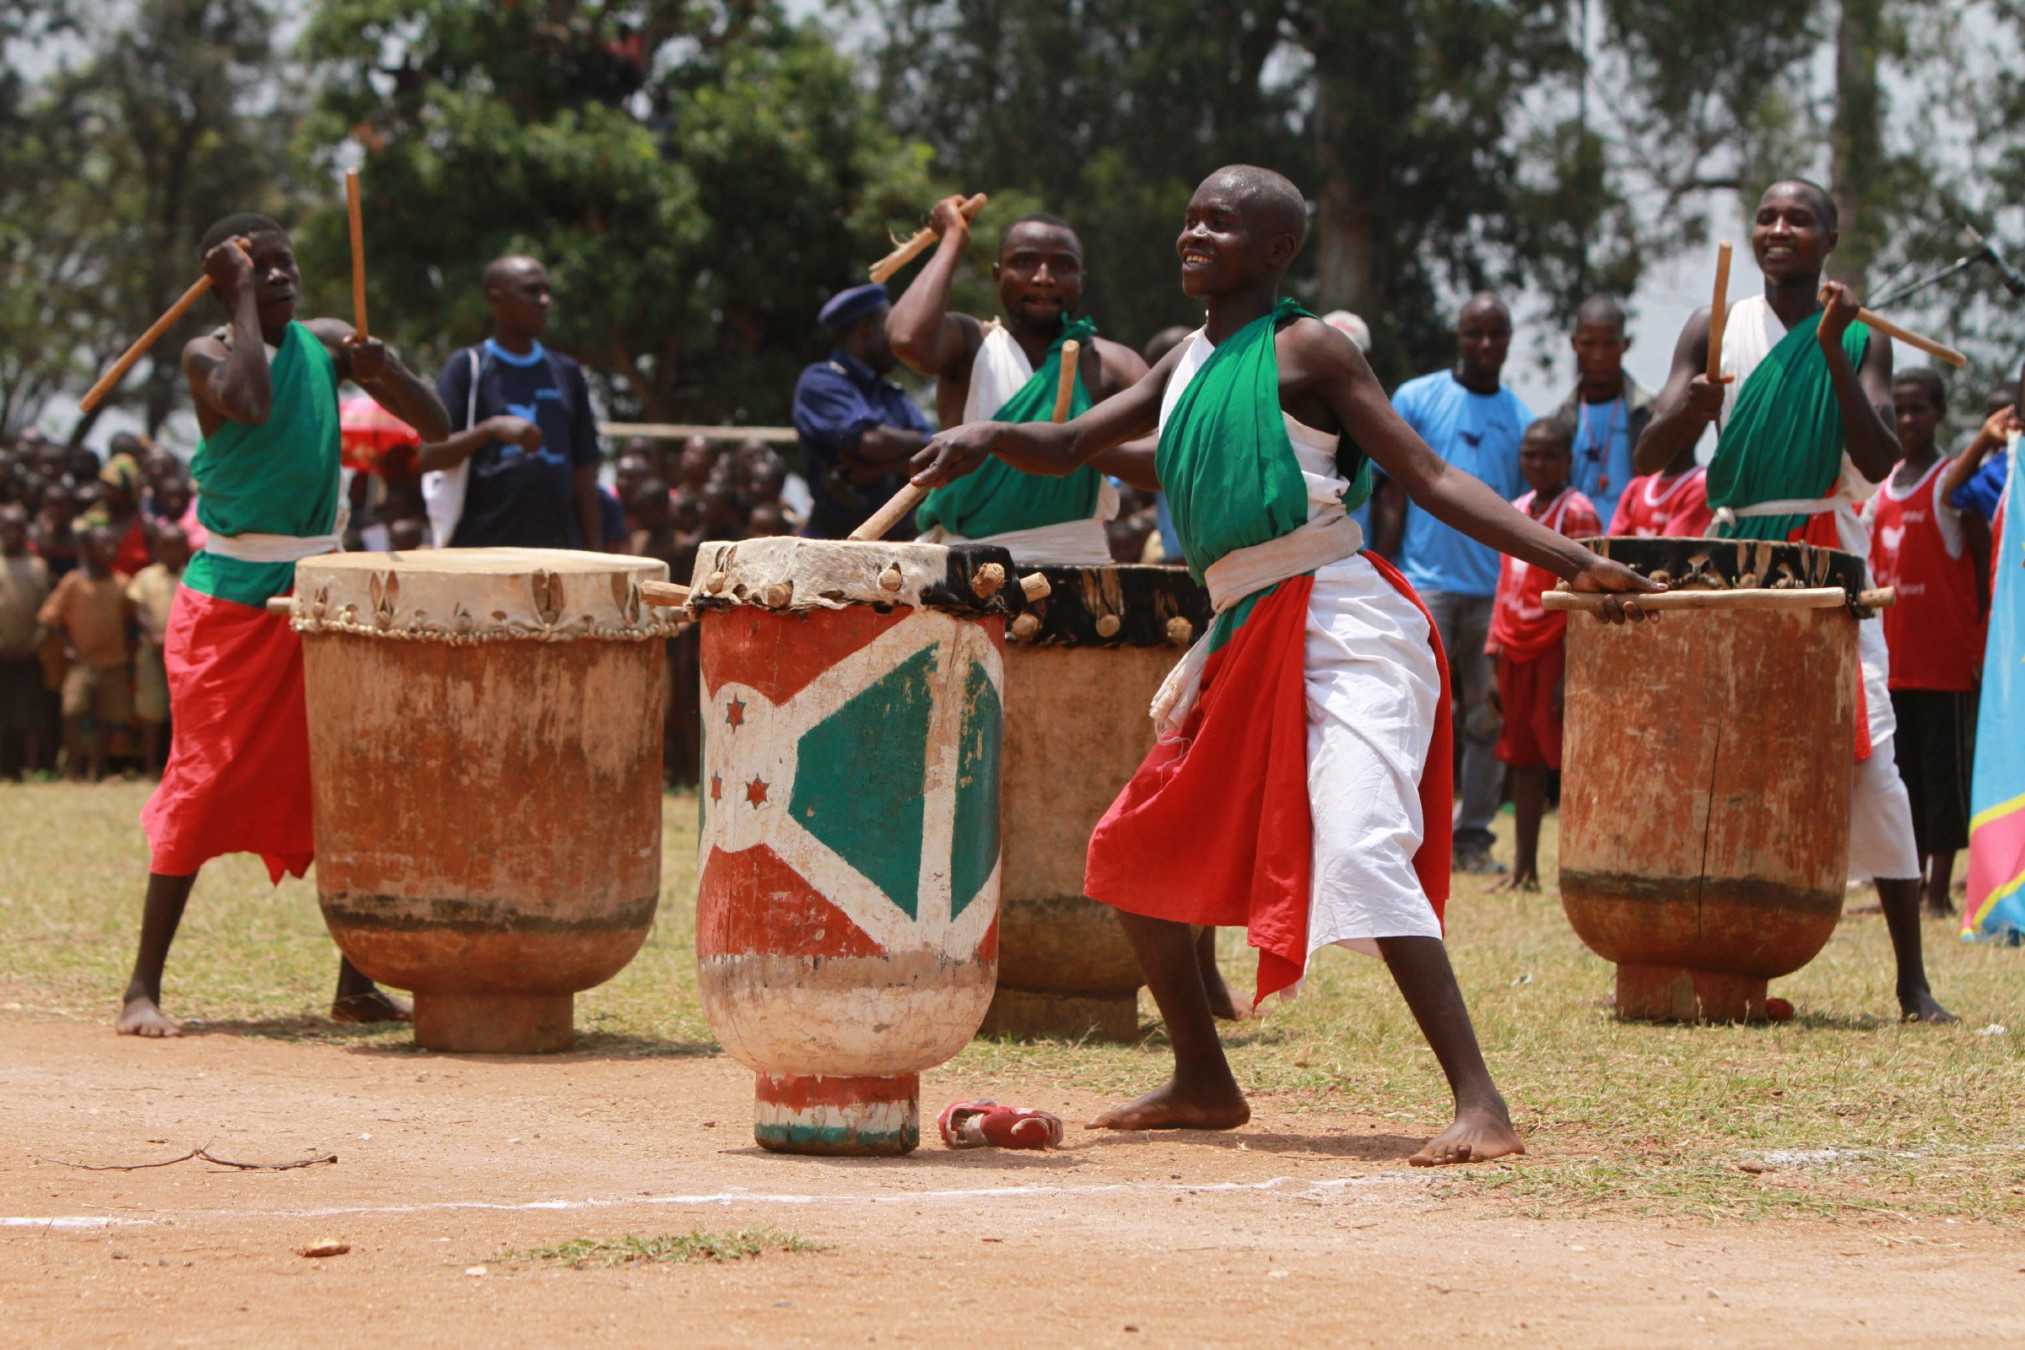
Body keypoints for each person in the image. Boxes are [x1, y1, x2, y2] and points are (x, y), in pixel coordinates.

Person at [907, 165, 1657, 1161]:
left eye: (1219, 224)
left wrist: (1568, 558)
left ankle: (1481, 1104)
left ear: (1277, 250)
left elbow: (1429, 474)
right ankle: (1203, 1080)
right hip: (1242, 626)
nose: (1193, 235)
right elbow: (1077, 440)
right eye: (1189, 218)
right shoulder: (1185, 365)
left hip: (1341, 624)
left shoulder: (1311, 348)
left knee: (1361, 846)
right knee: (1133, 858)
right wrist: (988, 434)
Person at [121, 212, 449, 1038]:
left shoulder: (327, 342)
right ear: (222, 282)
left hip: (318, 588)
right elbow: (253, 406)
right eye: (254, 268)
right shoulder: (206, 356)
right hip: (228, 598)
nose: (276, 277)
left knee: (348, 778)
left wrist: (386, 369)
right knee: (204, 780)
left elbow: (436, 425)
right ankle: (140, 989)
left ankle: (355, 984)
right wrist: (235, 295)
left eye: (283, 264)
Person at [1633, 177, 1953, 1022]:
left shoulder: (1860, 335)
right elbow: (1648, 455)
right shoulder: (1712, 325)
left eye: (1798, 219)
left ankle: (1911, 981)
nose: (1778, 228)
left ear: (1828, 239)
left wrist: (1832, 350)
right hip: (1737, 557)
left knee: (1871, 761)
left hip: (1828, 558)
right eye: (1767, 217)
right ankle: (1713, 960)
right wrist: (1687, 412)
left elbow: (1878, 459)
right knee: (1726, 753)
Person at [886, 200, 1155, 563]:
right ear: (998, 276)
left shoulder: (1113, 364)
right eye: (1025, 262)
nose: (1043, 277)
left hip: (1076, 561)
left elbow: (1165, 463)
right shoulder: (969, 345)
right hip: (965, 568)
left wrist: (1072, 445)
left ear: (1081, 280)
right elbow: (906, 338)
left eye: (1062, 265)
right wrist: (953, 238)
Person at [1374, 293, 1533, 874]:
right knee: (1415, 711)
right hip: (1426, 585)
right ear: (1458, 335)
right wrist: (1382, 568)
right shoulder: (1416, 399)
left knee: (1487, 718)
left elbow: (1522, 511)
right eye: (1474, 333)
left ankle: (1472, 839)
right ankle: (1407, 837)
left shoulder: (1521, 419)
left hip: (1492, 592)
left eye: (1496, 334)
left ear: (1508, 339)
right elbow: (1392, 491)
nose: (1485, 344)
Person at [1863, 369, 1990, 917]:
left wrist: (1977, 642)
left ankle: (1939, 891)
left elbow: (1981, 567)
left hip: (1943, 661)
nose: (1909, 419)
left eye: (1920, 408)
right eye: (1901, 409)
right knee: (1904, 779)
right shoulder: (1882, 489)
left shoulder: (1951, 485)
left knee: (1944, 780)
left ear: (1939, 413)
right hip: (1894, 663)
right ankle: (1906, 885)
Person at [1485, 420, 1602, 891]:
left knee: (1571, 761)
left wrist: (1573, 667)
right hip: (1514, 647)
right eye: (1529, 455)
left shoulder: (1579, 511)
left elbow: (1589, 592)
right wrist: (1493, 653)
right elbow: (1504, 583)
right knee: (1524, 761)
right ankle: (1524, 869)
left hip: (1555, 646)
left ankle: (1583, 872)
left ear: (1568, 461)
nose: (1538, 464)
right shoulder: (1514, 510)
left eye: (1549, 456)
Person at [418, 256, 603, 551]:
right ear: (496, 299)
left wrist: (595, 553)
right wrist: (490, 430)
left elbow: (584, 470)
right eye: (532, 291)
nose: (544, 300)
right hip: (483, 551)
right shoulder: (467, 367)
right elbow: (428, 456)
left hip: (558, 552)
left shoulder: (566, 371)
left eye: (547, 291)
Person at [792, 284, 933, 540]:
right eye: (889, 327)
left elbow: (931, 447)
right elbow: (872, 442)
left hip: (899, 545)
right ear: (866, 329)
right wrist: (905, 448)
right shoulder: (820, 382)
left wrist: (885, 466)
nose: (897, 338)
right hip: (833, 546)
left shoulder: (889, 391)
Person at [37, 524, 131, 782]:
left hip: (113, 664)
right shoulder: (73, 582)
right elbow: (50, 617)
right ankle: (73, 770)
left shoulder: (121, 583)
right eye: (103, 545)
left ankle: (95, 770)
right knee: (72, 713)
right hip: (81, 664)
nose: (110, 550)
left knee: (106, 718)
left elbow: (130, 616)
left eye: (113, 545)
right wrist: (67, 646)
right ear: (88, 550)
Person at [1551, 297, 1656, 528]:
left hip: (1634, 542)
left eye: (1609, 344)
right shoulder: (1559, 421)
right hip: (1576, 543)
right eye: (1588, 344)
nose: (1598, 355)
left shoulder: (1650, 413)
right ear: (1574, 343)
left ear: (1625, 344)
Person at [128, 522, 190, 777]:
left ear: (186, 548)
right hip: (152, 652)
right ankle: (150, 767)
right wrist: (153, 636)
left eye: (177, 546)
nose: (172, 552)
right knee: (151, 711)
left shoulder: (194, 577)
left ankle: (181, 770)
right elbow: (139, 610)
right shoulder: (146, 577)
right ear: (157, 548)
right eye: (166, 546)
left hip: (187, 654)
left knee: (185, 712)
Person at [0, 503, 51, 778]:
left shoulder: (37, 566)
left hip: (30, 653)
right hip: (2, 652)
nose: (12, 533)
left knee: (30, 714)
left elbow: (45, 610)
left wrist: (33, 643)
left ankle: (31, 768)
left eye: (17, 528)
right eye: (7, 528)